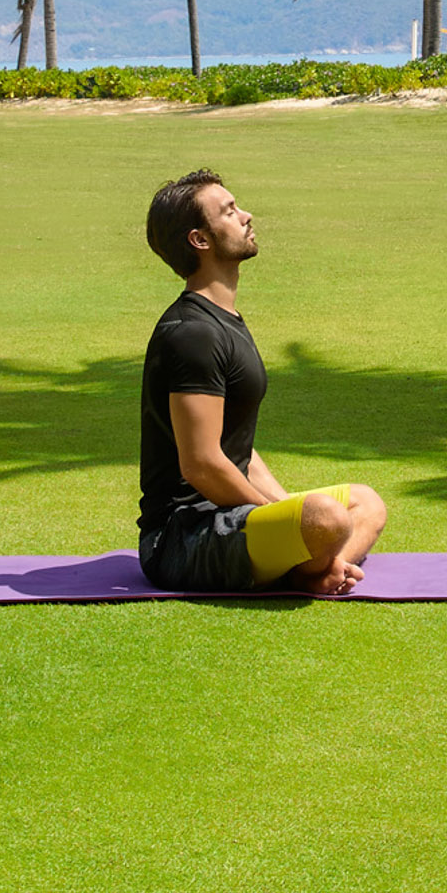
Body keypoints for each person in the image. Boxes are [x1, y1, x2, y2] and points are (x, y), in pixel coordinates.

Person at [137, 171, 390, 593]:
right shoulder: (192, 333)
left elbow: (238, 448)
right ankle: (315, 566)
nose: (246, 216)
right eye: (229, 212)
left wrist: (286, 511)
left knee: (366, 503)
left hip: (232, 522)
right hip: (183, 538)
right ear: (200, 240)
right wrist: (289, 520)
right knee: (325, 518)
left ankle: (320, 569)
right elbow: (201, 463)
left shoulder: (225, 320)